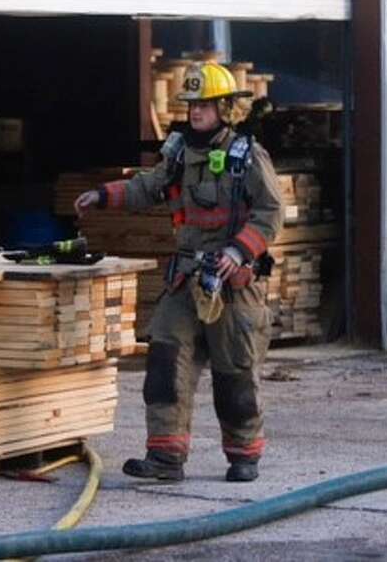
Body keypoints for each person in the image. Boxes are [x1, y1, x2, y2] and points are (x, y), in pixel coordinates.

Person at [75, 61, 283, 481]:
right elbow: (146, 186)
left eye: (204, 106)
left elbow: (270, 212)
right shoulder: (177, 155)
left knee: (235, 373)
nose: (195, 113)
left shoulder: (248, 155)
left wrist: (240, 251)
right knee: (166, 363)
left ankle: (244, 455)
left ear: (225, 108)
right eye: (191, 105)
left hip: (233, 285)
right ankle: (166, 458)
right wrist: (102, 194)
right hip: (186, 279)